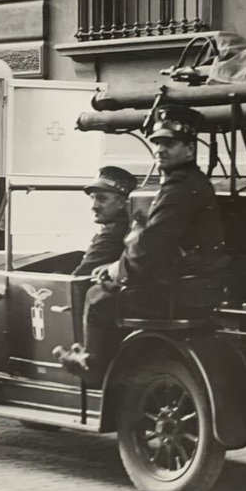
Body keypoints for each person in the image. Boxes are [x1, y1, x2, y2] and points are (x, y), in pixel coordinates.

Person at [54, 105, 225, 379]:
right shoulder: (185, 182)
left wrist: (115, 270)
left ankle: (93, 365)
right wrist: (118, 264)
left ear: (190, 149)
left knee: (98, 297)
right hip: (191, 283)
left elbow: (154, 242)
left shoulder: (180, 188)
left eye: (169, 144)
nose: (160, 150)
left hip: (181, 290)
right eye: (157, 143)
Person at [74, 166, 137, 276]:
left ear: (122, 203)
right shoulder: (124, 225)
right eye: (92, 198)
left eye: (102, 199)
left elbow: (79, 275)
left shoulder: (113, 233)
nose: (93, 206)